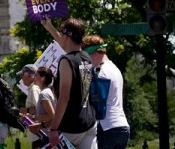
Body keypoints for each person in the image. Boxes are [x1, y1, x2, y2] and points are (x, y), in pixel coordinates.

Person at [42, 18, 97, 149]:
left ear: (66, 36)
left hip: (71, 127)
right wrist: (49, 27)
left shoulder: (66, 61)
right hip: (89, 123)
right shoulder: (86, 57)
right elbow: (66, 44)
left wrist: (54, 128)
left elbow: (64, 97)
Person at [83, 35, 129, 149]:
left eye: (86, 56)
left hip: (107, 127)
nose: (86, 61)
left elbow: (97, 102)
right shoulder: (114, 68)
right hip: (121, 125)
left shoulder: (101, 73)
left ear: (93, 53)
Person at [18, 64, 40, 149]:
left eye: (22, 75)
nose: (21, 78)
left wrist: (26, 110)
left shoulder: (34, 89)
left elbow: (40, 109)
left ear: (28, 75)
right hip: (36, 133)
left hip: (37, 133)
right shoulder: (33, 88)